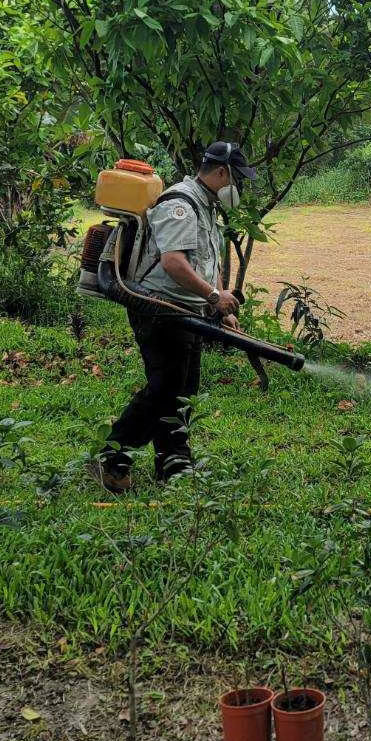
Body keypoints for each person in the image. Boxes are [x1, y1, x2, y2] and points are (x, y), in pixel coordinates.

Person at [95, 141, 256, 490]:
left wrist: (218, 303)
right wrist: (213, 296)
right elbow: (174, 263)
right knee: (165, 388)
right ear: (222, 172)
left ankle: (173, 461)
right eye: (238, 180)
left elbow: (207, 261)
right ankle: (112, 457)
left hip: (186, 309)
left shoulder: (206, 205)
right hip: (160, 308)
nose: (239, 188)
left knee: (183, 389)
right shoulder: (180, 205)